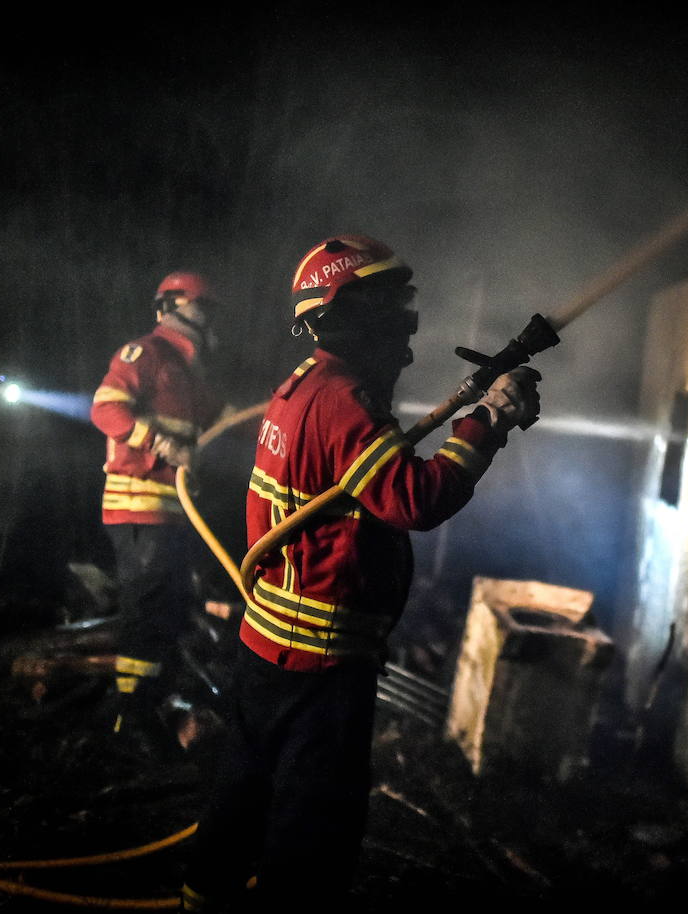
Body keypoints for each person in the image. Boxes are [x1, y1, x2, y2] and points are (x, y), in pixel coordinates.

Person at [181, 235, 542, 907]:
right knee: (313, 828)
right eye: (391, 303)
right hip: (319, 659)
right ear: (349, 313)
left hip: (271, 648)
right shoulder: (343, 401)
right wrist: (489, 421)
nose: (406, 319)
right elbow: (415, 498)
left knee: (243, 790)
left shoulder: (304, 389)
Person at [90, 271, 223, 754]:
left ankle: (153, 705)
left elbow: (224, 420)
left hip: (169, 515)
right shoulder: (144, 353)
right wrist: (160, 442)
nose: (209, 317)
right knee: (145, 616)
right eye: (201, 306)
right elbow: (106, 409)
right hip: (137, 508)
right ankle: (132, 717)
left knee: (166, 614)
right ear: (170, 306)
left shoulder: (188, 371)